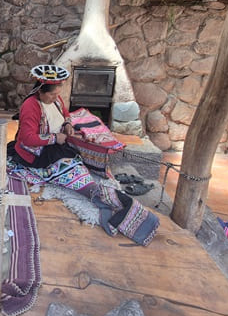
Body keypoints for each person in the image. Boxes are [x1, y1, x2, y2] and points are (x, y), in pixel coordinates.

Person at [10, 64, 160, 246]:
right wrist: (54, 138)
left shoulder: (55, 100)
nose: (56, 97)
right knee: (70, 171)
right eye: (52, 95)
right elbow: (27, 138)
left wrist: (67, 125)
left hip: (55, 146)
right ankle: (99, 197)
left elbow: (65, 114)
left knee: (79, 164)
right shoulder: (30, 106)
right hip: (36, 153)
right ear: (40, 91)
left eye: (57, 94)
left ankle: (106, 198)